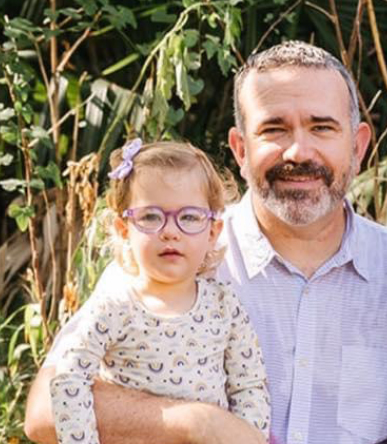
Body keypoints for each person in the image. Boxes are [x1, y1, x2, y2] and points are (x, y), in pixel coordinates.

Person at [25, 40, 387, 444]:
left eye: (321, 127)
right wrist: (197, 423)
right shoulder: (172, 253)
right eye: (274, 129)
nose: (298, 151)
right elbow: (44, 414)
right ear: (240, 149)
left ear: (358, 146)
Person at [49, 140, 270, 444]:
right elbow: (69, 378)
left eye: (189, 217)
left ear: (212, 232)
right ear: (124, 229)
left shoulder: (224, 304)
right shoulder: (114, 306)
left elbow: (249, 386)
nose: (170, 230)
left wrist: (248, 437)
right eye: (151, 216)